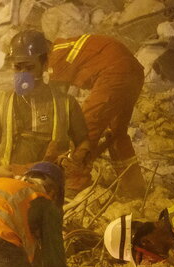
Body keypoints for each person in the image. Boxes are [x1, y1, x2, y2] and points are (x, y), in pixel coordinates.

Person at [0, 30, 91, 188]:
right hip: (11, 182)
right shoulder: (3, 102)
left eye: (29, 68)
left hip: (51, 186)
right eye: (17, 67)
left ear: (44, 65)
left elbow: (83, 142)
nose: (23, 74)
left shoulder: (66, 103)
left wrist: (76, 161)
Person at [48, 34, 146, 197]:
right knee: (116, 132)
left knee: (85, 128)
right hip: (134, 72)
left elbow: (58, 108)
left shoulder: (55, 58)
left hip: (114, 73)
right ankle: (134, 187)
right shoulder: (66, 47)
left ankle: (76, 184)